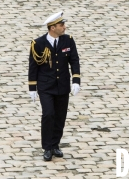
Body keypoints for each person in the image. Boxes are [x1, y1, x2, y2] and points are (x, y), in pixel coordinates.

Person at [28, 11, 81, 161]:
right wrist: (32, 88)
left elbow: (74, 61)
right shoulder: (38, 44)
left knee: (60, 117)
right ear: (52, 28)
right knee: (48, 114)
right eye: (61, 25)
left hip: (62, 86)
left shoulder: (68, 41)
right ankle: (47, 147)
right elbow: (33, 67)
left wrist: (76, 80)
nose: (64, 27)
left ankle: (55, 145)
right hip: (46, 87)